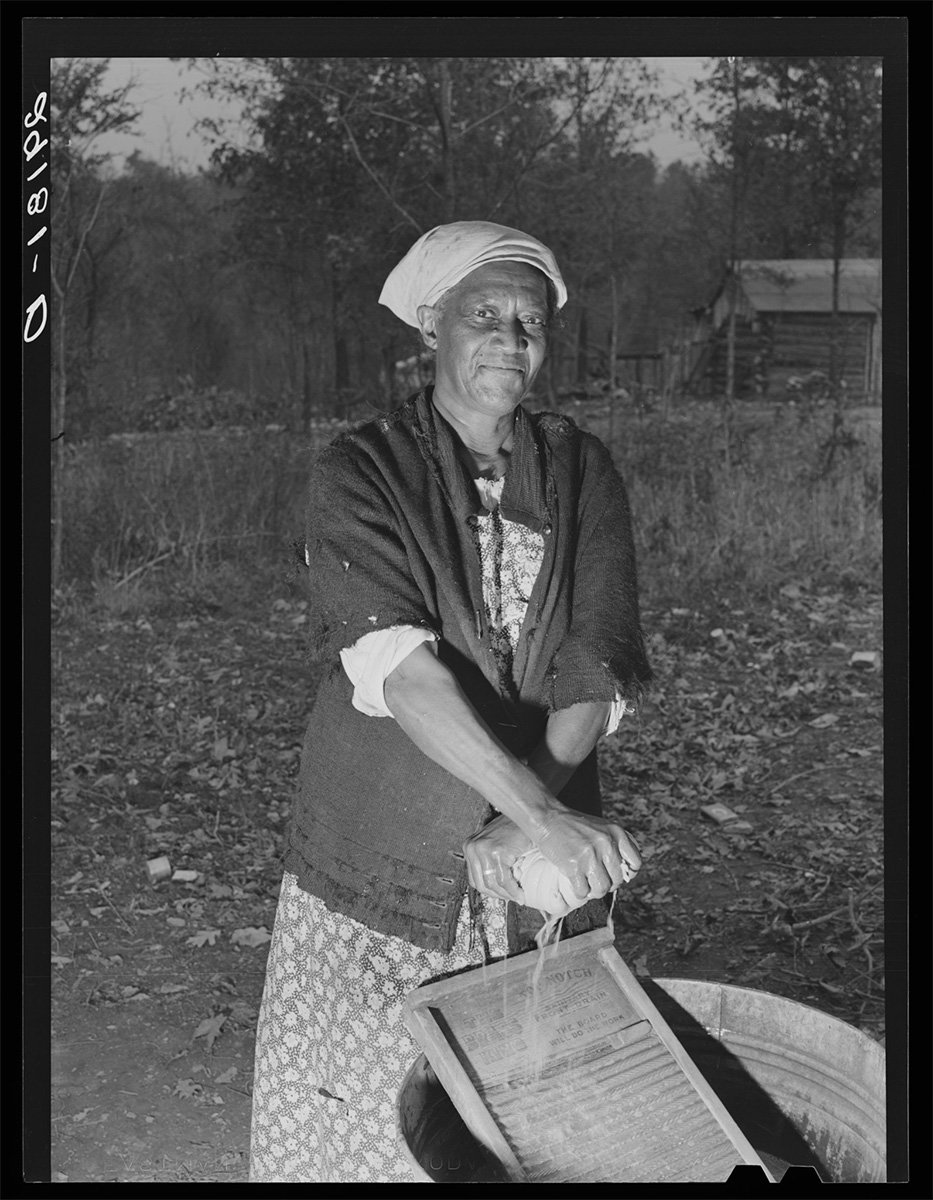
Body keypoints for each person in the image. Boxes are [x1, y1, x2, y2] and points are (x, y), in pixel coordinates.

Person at [249, 221, 652, 1183]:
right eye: (485, 315)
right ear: (432, 326)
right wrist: (541, 814)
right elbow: (401, 671)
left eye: (530, 320)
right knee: (366, 1108)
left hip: (536, 849)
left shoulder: (580, 467)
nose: (511, 340)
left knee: (531, 1108)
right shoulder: (361, 470)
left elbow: (592, 662)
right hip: (382, 842)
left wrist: (531, 827)